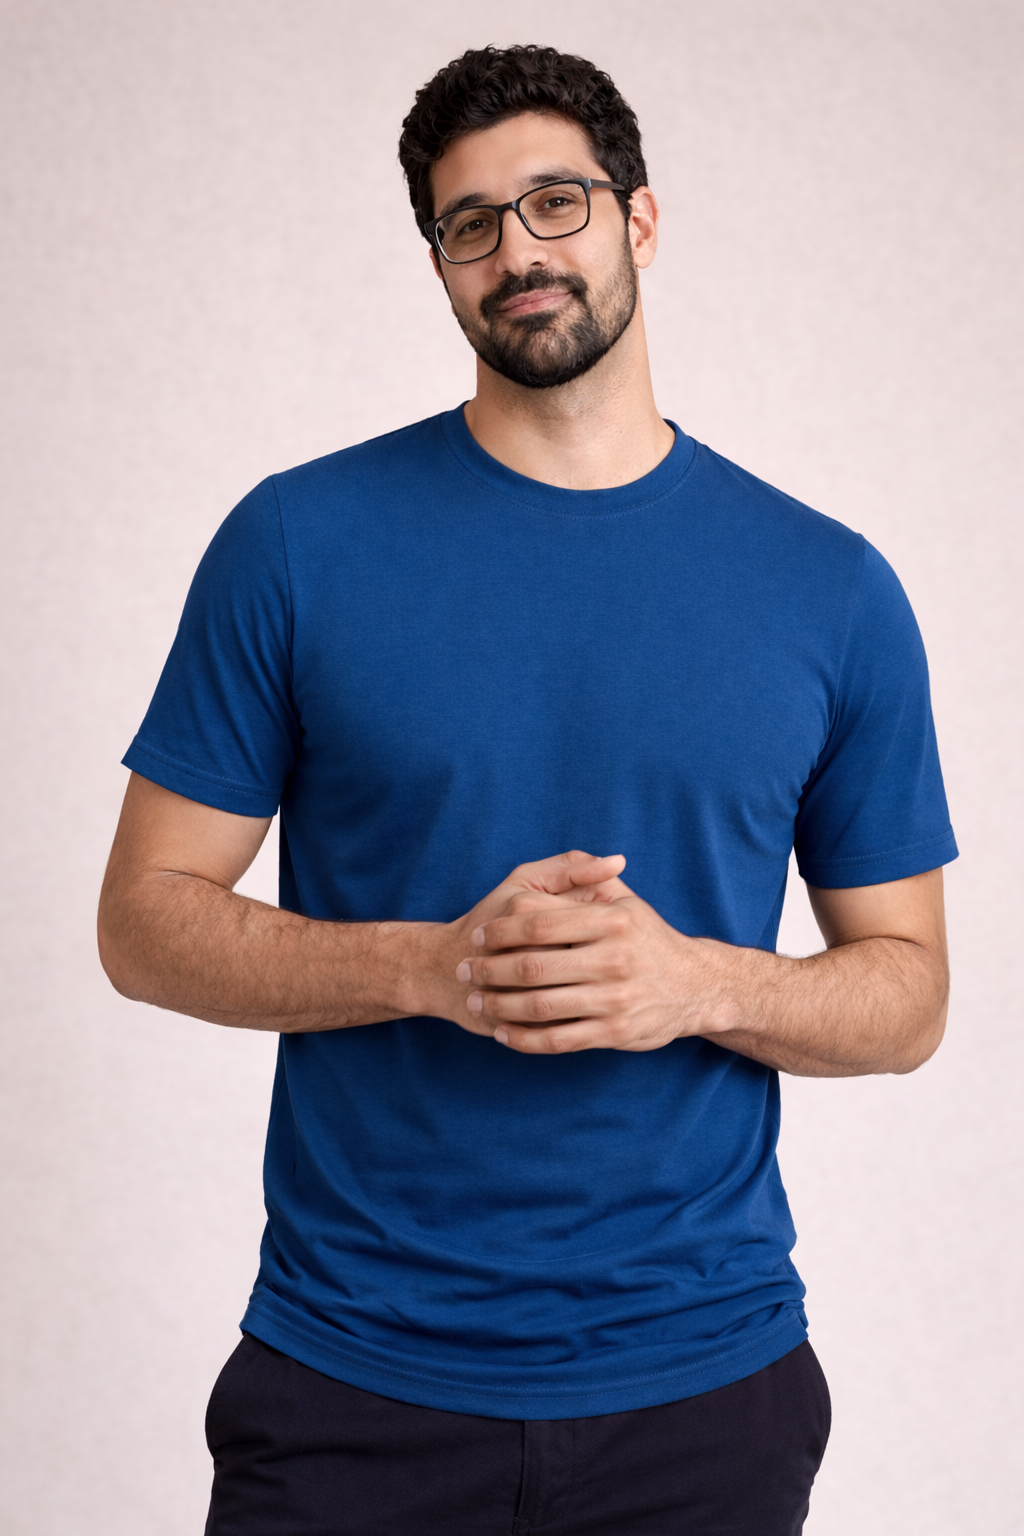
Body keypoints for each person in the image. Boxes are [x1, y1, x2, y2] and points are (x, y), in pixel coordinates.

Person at [97, 43, 957, 1536]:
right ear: (438, 262)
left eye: (557, 202)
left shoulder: (832, 589)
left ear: (640, 219)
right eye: (470, 223)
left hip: (705, 1393)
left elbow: (910, 996)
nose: (519, 251)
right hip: (349, 1380)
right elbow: (143, 923)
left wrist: (695, 984)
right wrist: (430, 968)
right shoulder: (296, 544)